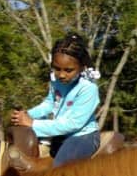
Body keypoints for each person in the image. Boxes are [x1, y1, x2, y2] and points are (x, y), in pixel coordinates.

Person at [10, 33, 101, 168]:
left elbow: (73, 124)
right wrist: (27, 115)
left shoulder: (88, 89)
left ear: (81, 67)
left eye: (68, 70)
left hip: (81, 135)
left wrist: (33, 124)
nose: (61, 75)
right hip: (60, 132)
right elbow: (49, 104)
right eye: (57, 69)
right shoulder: (56, 82)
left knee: (59, 168)